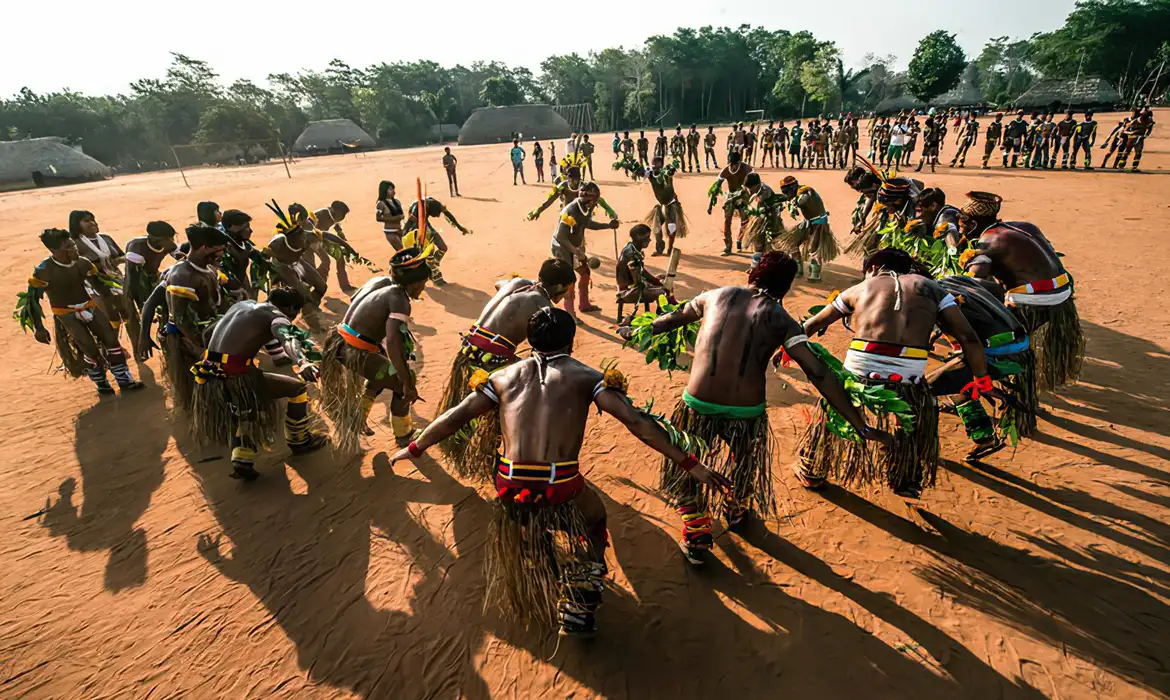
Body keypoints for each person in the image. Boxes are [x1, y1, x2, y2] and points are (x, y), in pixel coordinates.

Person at [390, 307, 726, 636]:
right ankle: (581, 598)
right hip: (560, 482)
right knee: (593, 518)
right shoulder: (587, 377)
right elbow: (637, 424)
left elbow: (455, 417)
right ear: (571, 341)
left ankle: (543, 567)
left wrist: (415, 447)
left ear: (530, 340)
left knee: (524, 522)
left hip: (508, 482)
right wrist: (690, 464)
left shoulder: (503, 376)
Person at [642, 252, 883, 563]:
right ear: (785, 287)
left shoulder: (714, 295)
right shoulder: (782, 319)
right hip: (746, 411)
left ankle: (696, 527)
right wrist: (856, 420)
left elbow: (671, 319)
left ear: (755, 273)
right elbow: (817, 371)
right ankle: (736, 505)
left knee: (689, 459)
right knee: (745, 461)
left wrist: (638, 329)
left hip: (698, 404)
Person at [797, 248, 989, 498]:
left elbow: (812, 324)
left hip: (860, 368)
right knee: (911, 419)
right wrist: (981, 377)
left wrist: (789, 348)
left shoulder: (858, 289)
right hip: (909, 373)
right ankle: (905, 478)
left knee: (832, 410)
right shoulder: (931, 287)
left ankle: (813, 469)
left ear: (874, 267)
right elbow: (968, 337)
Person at [436, 259, 577, 478]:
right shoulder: (544, 309)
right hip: (490, 364)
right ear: (559, 287)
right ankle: (495, 464)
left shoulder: (518, 283)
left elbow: (499, 285)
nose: (566, 295)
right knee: (504, 411)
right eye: (568, 290)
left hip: (467, 352)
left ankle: (460, 444)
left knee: (469, 409)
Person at [189, 289, 330, 480]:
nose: (294, 318)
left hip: (208, 373)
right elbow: (287, 338)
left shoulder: (241, 306)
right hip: (236, 375)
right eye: (296, 313)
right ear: (290, 308)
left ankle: (242, 458)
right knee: (297, 388)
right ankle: (300, 441)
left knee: (247, 406)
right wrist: (302, 361)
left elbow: (207, 334)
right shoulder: (276, 316)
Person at [959, 191, 1084, 389]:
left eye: (962, 224)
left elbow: (971, 280)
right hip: (1063, 294)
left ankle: (998, 386)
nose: (961, 229)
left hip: (1032, 302)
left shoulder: (987, 243)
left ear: (973, 223)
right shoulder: (1025, 227)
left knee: (987, 341)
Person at [318, 247, 432, 453]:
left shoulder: (380, 282)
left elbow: (356, 304)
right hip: (357, 350)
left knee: (383, 370)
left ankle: (358, 417)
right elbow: (394, 342)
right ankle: (404, 435)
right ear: (414, 283)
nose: (422, 289)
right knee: (402, 382)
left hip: (341, 342)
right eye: (422, 285)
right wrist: (407, 383)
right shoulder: (400, 300)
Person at [17, 228, 144, 394]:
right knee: (89, 349)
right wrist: (39, 328)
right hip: (66, 314)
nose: (75, 249)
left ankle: (124, 380)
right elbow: (32, 300)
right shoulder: (44, 271)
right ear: (54, 250)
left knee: (112, 341)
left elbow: (100, 286)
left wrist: (117, 306)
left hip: (90, 306)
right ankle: (102, 383)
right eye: (69, 246)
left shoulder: (83, 263)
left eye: (73, 245)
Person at [929, 274, 1037, 460]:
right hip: (1021, 346)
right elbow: (996, 289)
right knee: (957, 382)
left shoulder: (927, 297)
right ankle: (985, 438)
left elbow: (970, 342)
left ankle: (919, 446)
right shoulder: (954, 280)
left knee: (926, 388)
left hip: (997, 354)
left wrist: (983, 380)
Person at [159, 223, 230, 413]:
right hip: (189, 340)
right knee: (201, 390)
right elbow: (181, 319)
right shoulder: (182, 275)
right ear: (204, 247)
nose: (221, 255)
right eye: (219, 250)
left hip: (211, 332)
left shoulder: (209, 269)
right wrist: (200, 350)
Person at [550, 182, 619, 321]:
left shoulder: (584, 208)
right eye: (594, 202)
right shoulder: (569, 211)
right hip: (561, 248)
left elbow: (587, 223)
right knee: (569, 280)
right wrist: (576, 251)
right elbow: (560, 237)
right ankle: (569, 313)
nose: (595, 205)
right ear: (588, 200)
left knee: (585, 272)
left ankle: (584, 303)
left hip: (575, 247)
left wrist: (607, 226)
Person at [262, 203, 328, 322]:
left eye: (304, 219)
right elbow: (264, 256)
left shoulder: (307, 231)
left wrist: (346, 247)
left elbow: (326, 236)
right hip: (282, 266)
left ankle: (308, 312)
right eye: (300, 219)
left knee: (321, 286)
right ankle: (290, 318)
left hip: (298, 262)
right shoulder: (279, 241)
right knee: (302, 293)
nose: (303, 223)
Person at [123, 221, 179, 356]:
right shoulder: (136, 249)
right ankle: (140, 348)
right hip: (135, 282)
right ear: (156, 239)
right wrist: (142, 305)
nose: (172, 241)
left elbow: (182, 257)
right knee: (136, 317)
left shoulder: (168, 245)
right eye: (168, 239)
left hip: (153, 278)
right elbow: (133, 282)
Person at [69, 210, 129, 337]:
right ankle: (113, 348)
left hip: (117, 281)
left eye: (93, 219)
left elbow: (121, 255)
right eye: (86, 221)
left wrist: (121, 260)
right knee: (109, 320)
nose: (92, 223)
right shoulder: (74, 243)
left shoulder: (106, 238)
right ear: (76, 225)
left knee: (131, 316)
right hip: (93, 286)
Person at [773, 175, 837, 282]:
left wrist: (790, 202)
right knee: (790, 242)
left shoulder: (806, 192)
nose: (787, 194)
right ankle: (798, 269)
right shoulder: (797, 194)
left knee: (814, 249)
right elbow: (789, 200)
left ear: (792, 188)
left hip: (818, 224)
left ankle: (815, 275)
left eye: (787, 192)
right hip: (807, 223)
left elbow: (801, 202)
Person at [403, 196, 472, 286]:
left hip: (425, 225)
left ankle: (432, 266)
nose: (438, 216)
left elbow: (447, 213)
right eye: (436, 214)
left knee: (443, 247)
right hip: (415, 229)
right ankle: (435, 277)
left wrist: (460, 227)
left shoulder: (435, 204)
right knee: (429, 254)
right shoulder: (418, 207)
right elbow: (410, 221)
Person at [615, 224, 673, 325]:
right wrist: (656, 282)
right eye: (647, 237)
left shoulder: (632, 248)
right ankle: (663, 317)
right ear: (638, 236)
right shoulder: (631, 253)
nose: (649, 240)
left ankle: (664, 313)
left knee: (665, 284)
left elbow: (640, 272)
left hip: (633, 286)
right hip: (628, 292)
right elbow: (638, 277)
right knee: (664, 292)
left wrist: (654, 280)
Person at [527, 164, 618, 223]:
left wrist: (610, 211)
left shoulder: (585, 187)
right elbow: (550, 199)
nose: (574, 181)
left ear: (579, 178)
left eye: (576, 179)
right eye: (572, 179)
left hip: (581, 214)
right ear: (568, 178)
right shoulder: (563, 186)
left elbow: (598, 199)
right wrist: (538, 210)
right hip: (566, 213)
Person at [707, 150, 754, 256]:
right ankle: (728, 246)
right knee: (727, 220)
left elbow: (754, 183)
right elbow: (716, 187)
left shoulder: (747, 169)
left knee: (745, 220)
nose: (732, 167)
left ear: (739, 162)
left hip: (744, 195)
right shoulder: (725, 171)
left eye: (735, 164)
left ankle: (739, 240)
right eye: (730, 164)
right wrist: (710, 205)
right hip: (731, 196)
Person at [644, 155, 688, 257]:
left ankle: (670, 249)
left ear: (661, 165)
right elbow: (641, 172)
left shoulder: (666, 174)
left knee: (671, 229)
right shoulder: (651, 175)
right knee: (656, 229)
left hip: (671, 205)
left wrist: (671, 170)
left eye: (657, 164)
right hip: (661, 205)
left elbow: (671, 171)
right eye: (653, 164)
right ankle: (659, 249)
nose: (654, 166)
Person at [307, 200, 354, 294]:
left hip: (322, 238)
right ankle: (318, 283)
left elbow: (336, 224)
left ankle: (344, 285)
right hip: (310, 241)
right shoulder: (320, 214)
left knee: (339, 256)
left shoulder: (334, 216)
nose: (342, 217)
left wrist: (340, 233)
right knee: (325, 260)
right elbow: (308, 227)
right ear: (333, 210)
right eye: (342, 215)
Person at [1116, 107, 1155, 171]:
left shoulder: (1149, 121)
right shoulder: (1134, 122)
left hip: (1140, 139)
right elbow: (1124, 131)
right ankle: (1121, 166)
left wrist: (1145, 135)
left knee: (1138, 153)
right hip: (1131, 138)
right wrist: (1132, 133)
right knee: (1127, 152)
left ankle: (1134, 167)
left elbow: (1149, 129)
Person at [376, 181, 406, 249]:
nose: (393, 191)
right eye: (390, 189)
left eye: (393, 189)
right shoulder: (381, 204)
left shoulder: (397, 202)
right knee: (402, 251)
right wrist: (394, 218)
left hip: (400, 230)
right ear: (384, 191)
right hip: (390, 232)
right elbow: (378, 218)